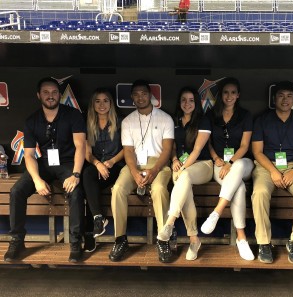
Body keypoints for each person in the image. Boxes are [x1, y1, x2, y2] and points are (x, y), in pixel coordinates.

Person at [5, 77, 86, 263]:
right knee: (16, 191)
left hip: (67, 163)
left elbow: (80, 146)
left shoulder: (73, 115)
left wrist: (75, 174)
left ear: (59, 94)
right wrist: (36, 180)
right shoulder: (32, 120)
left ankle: (75, 243)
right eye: (46, 92)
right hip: (44, 164)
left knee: (76, 191)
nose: (51, 96)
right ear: (38, 95)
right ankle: (17, 241)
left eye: (54, 92)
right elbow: (29, 155)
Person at [109, 79, 174, 263]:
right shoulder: (128, 121)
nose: (140, 97)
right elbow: (128, 151)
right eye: (136, 94)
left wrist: (153, 171)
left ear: (150, 95)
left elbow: (167, 150)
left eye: (144, 93)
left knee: (160, 189)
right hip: (134, 164)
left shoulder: (165, 118)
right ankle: (120, 239)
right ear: (132, 97)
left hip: (159, 164)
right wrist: (134, 172)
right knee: (118, 190)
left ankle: (163, 240)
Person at [251, 81, 293, 265]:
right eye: (281, 95)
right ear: (274, 98)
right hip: (266, 165)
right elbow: (257, 152)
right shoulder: (262, 120)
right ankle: (264, 242)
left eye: (289, 96)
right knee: (260, 192)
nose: (285, 100)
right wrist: (273, 171)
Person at [200, 77, 255, 261]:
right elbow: (207, 142)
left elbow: (245, 145)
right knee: (238, 188)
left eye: (233, 92)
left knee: (238, 167)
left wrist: (231, 162)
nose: (229, 96)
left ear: (238, 95)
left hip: (242, 163)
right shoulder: (211, 115)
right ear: (220, 95)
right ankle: (242, 239)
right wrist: (216, 159)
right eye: (225, 92)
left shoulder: (245, 115)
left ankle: (217, 211)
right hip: (220, 165)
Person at [157, 87, 213, 261]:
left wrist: (182, 168)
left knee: (185, 177)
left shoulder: (203, 121)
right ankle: (194, 239)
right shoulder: (175, 121)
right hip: (180, 166)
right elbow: (172, 148)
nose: (187, 104)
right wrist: (174, 161)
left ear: (196, 103)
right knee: (185, 187)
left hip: (202, 165)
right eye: (183, 100)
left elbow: (196, 150)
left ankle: (170, 222)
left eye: (191, 100)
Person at [81, 88, 125, 252]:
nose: (102, 105)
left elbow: (127, 149)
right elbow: (87, 153)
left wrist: (111, 162)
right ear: (93, 104)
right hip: (96, 166)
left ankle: (90, 234)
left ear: (111, 103)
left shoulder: (120, 122)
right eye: (97, 101)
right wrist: (98, 163)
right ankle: (98, 219)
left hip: (115, 166)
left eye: (105, 101)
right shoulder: (88, 123)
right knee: (86, 177)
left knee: (86, 189)